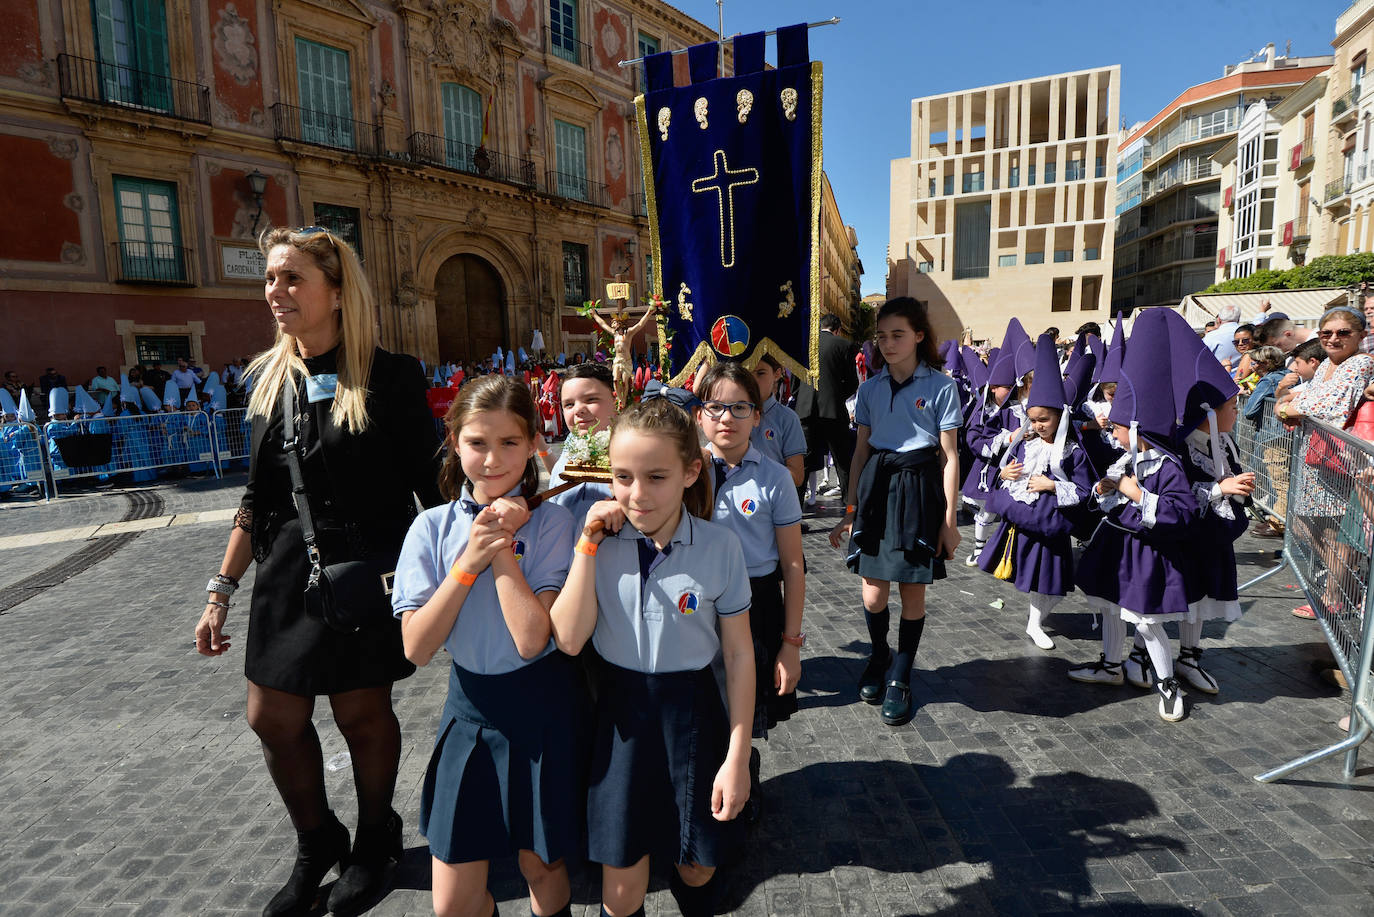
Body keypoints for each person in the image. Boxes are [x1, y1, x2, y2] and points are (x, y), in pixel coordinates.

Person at [194, 225, 442, 917]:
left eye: (292, 277)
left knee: (362, 713)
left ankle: (372, 839)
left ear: (337, 291)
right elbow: (255, 498)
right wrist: (220, 589)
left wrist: (466, 570)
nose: (276, 290)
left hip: (365, 570)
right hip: (286, 571)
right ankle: (316, 838)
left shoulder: (389, 375)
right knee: (270, 715)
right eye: (271, 278)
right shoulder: (271, 378)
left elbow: (433, 484)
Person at [548, 396, 755, 917]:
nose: (636, 495)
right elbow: (570, 640)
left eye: (656, 477)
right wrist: (586, 544)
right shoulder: (599, 542)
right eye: (622, 476)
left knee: (697, 862)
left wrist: (737, 757)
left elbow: (738, 654)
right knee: (621, 890)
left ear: (690, 472)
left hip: (694, 714)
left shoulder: (720, 546)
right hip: (619, 718)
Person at [391, 375, 583, 917]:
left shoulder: (553, 523)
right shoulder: (429, 529)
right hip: (468, 713)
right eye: (478, 443)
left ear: (534, 444)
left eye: (510, 443)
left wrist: (502, 552)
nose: (493, 460)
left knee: (541, 866)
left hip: (539, 711)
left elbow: (530, 639)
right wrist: (468, 562)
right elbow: (416, 648)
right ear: (454, 442)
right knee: (452, 901)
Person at [829, 298, 962, 727]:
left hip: (919, 492)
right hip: (877, 489)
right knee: (872, 592)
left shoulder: (941, 386)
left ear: (919, 336)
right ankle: (879, 653)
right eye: (881, 336)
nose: (887, 343)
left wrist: (950, 523)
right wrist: (850, 510)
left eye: (897, 334)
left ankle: (901, 676)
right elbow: (861, 450)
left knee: (911, 591)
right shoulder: (867, 390)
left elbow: (949, 457)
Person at [1069, 309, 1201, 723]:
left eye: (1120, 426)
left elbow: (1182, 513)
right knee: (1110, 607)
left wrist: (1136, 494)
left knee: (1145, 623)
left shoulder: (1165, 465)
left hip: (1147, 554)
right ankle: (1110, 665)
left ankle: (1166, 682)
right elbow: (1107, 500)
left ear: (1138, 425)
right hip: (1117, 547)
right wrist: (1105, 490)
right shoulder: (1129, 457)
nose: (1112, 431)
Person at [695, 361, 804, 825]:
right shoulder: (684, 472)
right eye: (715, 406)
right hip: (697, 604)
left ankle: (741, 771)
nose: (727, 417)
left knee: (744, 701)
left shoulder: (774, 478)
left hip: (757, 601)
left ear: (758, 417)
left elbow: (793, 564)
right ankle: (713, 775)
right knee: (704, 700)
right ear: (699, 414)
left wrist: (791, 644)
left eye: (740, 407)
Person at [977, 334, 1096, 651]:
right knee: (1034, 577)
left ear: (1061, 416)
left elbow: (1085, 490)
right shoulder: (1027, 443)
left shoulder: (1071, 452)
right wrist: (1004, 472)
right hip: (1022, 520)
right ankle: (1034, 621)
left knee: (1052, 583)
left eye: (1044, 419)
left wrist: (1053, 485)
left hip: (1051, 525)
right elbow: (1002, 468)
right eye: (1033, 420)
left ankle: (1036, 622)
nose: (1038, 425)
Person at [1278, 306, 1374, 619]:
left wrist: (1291, 407)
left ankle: (1336, 597)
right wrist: (1291, 405)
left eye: (1343, 333)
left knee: (1333, 531)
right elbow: (1314, 398)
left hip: (1341, 459)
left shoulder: (1359, 363)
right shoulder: (1327, 366)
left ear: (1361, 335)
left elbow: (1331, 403)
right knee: (1309, 526)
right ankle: (1343, 590)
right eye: (1326, 333)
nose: (1333, 338)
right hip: (1316, 454)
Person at [961, 319, 1034, 565]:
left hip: (1023, 470)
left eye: (1003, 386)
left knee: (1019, 511)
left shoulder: (1020, 408)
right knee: (989, 509)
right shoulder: (987, 408)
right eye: (998, 386)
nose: (996, 391)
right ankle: (979, 548)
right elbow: (974, 438)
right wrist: (1009, 438)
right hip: (995, 468)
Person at [795, 313, 860, 504]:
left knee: (803, 464)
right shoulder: (844, 345)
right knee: (842, 462)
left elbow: (795, 383)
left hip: (805, 410)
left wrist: (803, 399)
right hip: (833, 411)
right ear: (838, 329)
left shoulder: (805, 344)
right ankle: (850, 512)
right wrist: (835, 398)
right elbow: (852, 383)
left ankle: (795, 515)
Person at [544, 361, 616, 527]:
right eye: (569, 404)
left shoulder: (638, 455)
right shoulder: (571, 446)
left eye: (591, 399)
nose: (578, 410)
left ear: (616, 399)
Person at [587, 300, 658, 408]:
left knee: (625, 382)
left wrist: (649, 312)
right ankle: (619, 399)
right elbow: (602, 324)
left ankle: (623, 401)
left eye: (614, 322)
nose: (612, 324)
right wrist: (595, 315)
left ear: (620, 323)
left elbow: (640, 324)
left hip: (626, 361)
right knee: (615, 380)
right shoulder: (614, 334)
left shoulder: (628, 333)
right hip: (617, 360)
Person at [749, 353, 807, 487]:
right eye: (747, 372)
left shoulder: (787, 418)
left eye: (760, 373)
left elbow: (797, 476)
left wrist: (754, 470)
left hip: (773, 500)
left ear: (777, 374)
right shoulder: (730, 415)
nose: (753, 380)